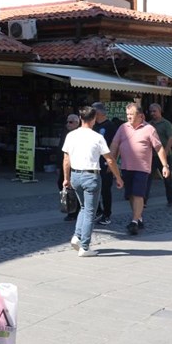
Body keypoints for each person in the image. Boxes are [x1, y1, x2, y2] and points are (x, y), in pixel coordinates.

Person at [63, 106, 124, 257]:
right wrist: (118, 177)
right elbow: (109, 159)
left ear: (80, 118)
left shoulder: (71, 135)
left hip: (75, 176)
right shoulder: (97, 137)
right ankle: (84, 246)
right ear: (94, 118)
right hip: (91, 176)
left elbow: (66, 160)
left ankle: (77, 236)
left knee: (84, 208)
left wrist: (66, 178)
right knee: (90, 211)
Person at [110, 103, 170, 236]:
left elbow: (158, 148)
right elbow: (114, 144)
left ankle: (134, 221)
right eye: (127, 115)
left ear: (140, 115)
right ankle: (138, 217)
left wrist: (165, 165)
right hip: (126, 167)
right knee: (130, 194)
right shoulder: (122, 128)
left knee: (138, 194)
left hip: (142, 168)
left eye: (131, 114)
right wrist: (111, 162)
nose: (129, 117)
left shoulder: (149, 129)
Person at [91, 102, 121, 225]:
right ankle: (98, 210)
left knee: (105, 190)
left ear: (98, 113)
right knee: (93, 188)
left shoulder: (110, 126)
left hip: (105, 162)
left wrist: (112, 162)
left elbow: (116, 145)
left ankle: (107, 214)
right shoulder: (92, 126)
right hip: (93, 163)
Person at [146, 103, 172, 207]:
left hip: (165, 155)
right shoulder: (148, 125)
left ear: (160, 111)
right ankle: (144, 201)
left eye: (154, 111)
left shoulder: (166, 123)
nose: (152, 113)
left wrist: (166, 151)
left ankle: (170, 200)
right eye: (151, 111)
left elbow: (171, 138)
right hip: (152, 155)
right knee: (147, 178)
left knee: (167, 179)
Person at [58, 112, 82, 222]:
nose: (68, 124)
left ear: (77, 123)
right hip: (65, 165)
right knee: (62, 185)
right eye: (67, 122)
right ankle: (71, 210)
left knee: (75, 189)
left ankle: (75, 212)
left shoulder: (80, 133)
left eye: (71, 122)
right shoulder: (65, 132)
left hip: (76, 165)